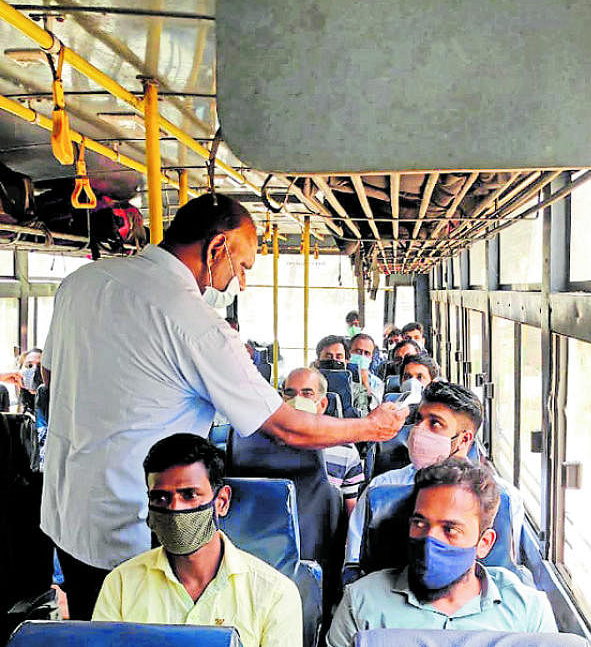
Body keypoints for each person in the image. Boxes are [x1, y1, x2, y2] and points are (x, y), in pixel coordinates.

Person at [40, 193, 406, 619]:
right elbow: (285, 427)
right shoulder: (195, 322)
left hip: (66, 513)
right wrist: (369, 428)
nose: (242, 283)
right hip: (134, 526)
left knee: (92, 637)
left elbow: (51, 377)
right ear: (216, 249)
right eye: (243, 266)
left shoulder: (82, 282)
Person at [312, 458, 557, 647]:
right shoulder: (363, 601)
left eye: (450, 530)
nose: (430, 540)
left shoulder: (526, 610)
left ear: (484, 543)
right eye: (420, 523)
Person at [92, 433, 304, 647]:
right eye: (161, 498)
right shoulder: (121, 584)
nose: (175, 509)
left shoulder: (274, 594)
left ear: (221, 501)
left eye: (190, 495)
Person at [345, 381, 483, 564]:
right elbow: (354, 562)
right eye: (418, 419)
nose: (419, 429)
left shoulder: (497, 497)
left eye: (435, 423)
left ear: (464, 439)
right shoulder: (381, 488)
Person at [281, 368, 364, 513]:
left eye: (307, 394)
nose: (297, 400)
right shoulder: (262, 443)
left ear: (323, 404)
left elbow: (350, 516)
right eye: (290, 394)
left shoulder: (345, 451)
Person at [348, 332, 385, 409]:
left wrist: (365, 382)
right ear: (349, 352)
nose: (362, 356)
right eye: (358, 351)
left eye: (367, 353)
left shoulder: (377, 383)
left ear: (371, 357)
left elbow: (374, 409)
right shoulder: (340, 377)